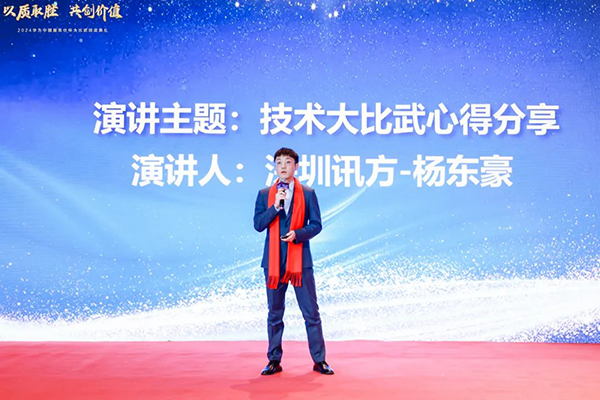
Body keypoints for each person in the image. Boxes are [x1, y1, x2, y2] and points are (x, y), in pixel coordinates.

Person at [253, 147, 334, 376]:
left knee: (311, 313)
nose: (283, 166)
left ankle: (319, 360)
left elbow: (316, 225)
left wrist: (298, 234)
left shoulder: (308, 193)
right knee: (274, 313)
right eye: (279, 162)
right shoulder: (264, 194)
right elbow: (258, 224)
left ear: (295, 166)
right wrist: (275, 207)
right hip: (273, 263)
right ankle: (273, 360)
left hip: (300, 263)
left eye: (287, 162)